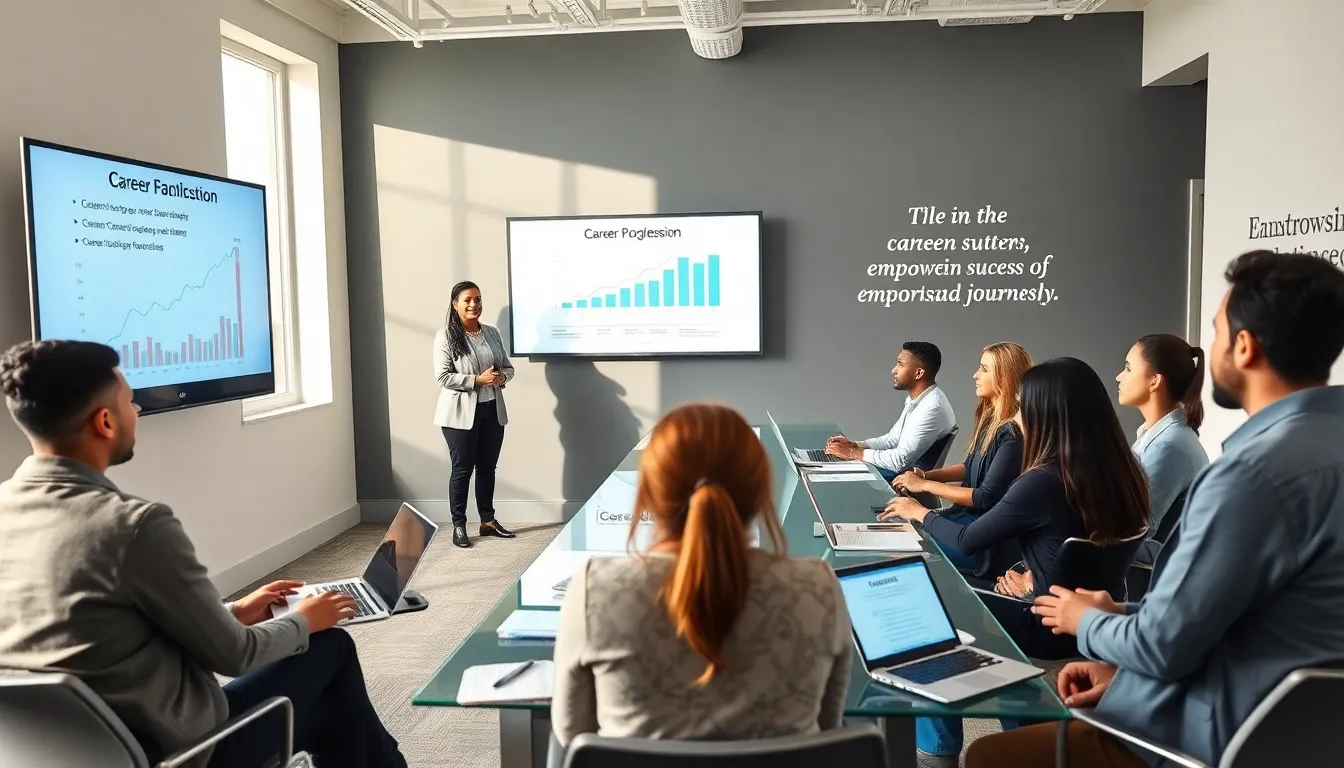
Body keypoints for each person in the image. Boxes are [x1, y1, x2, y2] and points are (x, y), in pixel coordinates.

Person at [978, 251, 1344, 768]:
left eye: (1216, 333)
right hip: (1297, 736)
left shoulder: (1252, 477)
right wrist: (1124, 625)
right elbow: (1264, 621)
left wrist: (1084, 620)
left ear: (1244, 347)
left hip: (1205, 740)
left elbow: (1164, 647)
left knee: (992, 758)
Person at [0, 340, 406, 768]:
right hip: (182, 752)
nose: (135, 411)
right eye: (130, 402)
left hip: (66, 753)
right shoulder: (133, 527)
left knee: (337, 717)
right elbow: (235, 656)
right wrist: (305, 620)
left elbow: (103, 630)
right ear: (105, 422)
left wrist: (232, 611)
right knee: (331, 648)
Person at [883, 357, 1149, 763]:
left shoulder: (1041, 480)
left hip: (1041, 623)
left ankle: (936, 752)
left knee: (927, 607)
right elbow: (1074, 543)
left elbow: (970, 539)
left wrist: (919, 512)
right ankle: (1021, 721)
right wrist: (1031, 575)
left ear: (1045, 413)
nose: (1017, 415)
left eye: (1024, 406)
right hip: (1094, 623)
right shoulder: (1126, 471)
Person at [552, 403, 851, 746]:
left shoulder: (596, 587)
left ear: (649, 492)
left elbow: (572, 732)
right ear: (759, 492)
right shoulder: (817, 586)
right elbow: (828, 727)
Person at [893, 341, 1032, 578]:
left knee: (902, 552)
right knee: (899, 532)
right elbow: (969, 468)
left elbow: (983, 497)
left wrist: (924, 485)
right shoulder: (990, 420)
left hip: (982, 543)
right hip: (964, 522)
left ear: (1004, 377)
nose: (975, 374)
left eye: (984, 369)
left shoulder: (1012, 434)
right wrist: (924, 475)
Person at [433, 280, 516, 549]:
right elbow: (444, 377)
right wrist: (478, 380)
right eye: (467, 300)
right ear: (455, 304)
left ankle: (487, 522)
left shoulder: (492, 333)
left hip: (492, 410)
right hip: (459, 415)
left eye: (478, 299)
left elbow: (508, 368)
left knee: (487, 469)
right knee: (462, 470)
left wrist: (501, 376)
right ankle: (459, 525)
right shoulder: (445, 336)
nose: (474, 305)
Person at [1115, 333, 1210, 564]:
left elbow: (1132, 533)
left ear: (1155, 381)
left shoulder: (1168, 447)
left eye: (1128, 368)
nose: (1119, 377)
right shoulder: (1154, 436)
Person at [824, 341, 956, 479]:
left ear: (919, 373)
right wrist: (856, 445)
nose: (894, 370)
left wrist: (852, 453)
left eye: (900, 364)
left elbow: (899, 461)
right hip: (898, 472)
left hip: (904, 478)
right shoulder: (919, 400)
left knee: (831, 476)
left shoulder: (932, 408)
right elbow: (892, 439)